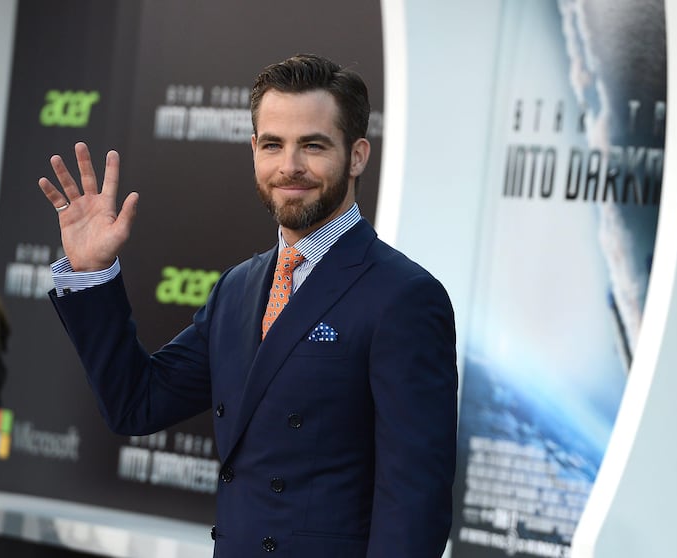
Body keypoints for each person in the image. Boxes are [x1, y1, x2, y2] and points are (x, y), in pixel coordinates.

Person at [38, 54, 458, 557]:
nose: (290, 167)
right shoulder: (237, 288)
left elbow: (415, 506)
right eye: (274, 145)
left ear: (358, 155)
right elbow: (137, 403)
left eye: (314, 146)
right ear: (253, 150)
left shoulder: (405, 297)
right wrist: (91, 274)